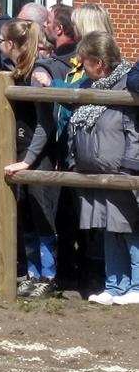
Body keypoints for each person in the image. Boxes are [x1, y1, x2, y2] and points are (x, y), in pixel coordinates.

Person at [67, 32, 139, 305]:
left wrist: (129, 167)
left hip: (121, 171)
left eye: (85, 61)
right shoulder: (88, 86)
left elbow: (134, 132)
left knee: (130, 229)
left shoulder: (128, 87)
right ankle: (114, 285)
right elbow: (75, 125)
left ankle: (137, 284)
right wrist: (75, 159)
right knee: (108, 229)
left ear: (99, 62)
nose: (81, 65)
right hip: (93, 172)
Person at [0, 19, 60, 299]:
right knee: (25, 217)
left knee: (42, 214)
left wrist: (29, 159)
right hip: (18, 153)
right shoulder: (12, 72)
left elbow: (45, 124)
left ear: (12, 44)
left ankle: (49, 274)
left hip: (37, 156)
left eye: (1, 39)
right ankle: (32, 272)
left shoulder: (36, 73)